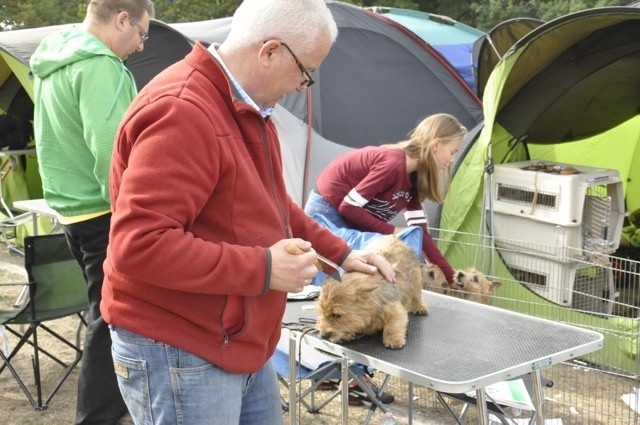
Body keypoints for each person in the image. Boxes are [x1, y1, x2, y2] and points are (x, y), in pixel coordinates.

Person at [99, 1, 395, 424]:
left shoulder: (250, 110)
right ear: (270, 51)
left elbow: (274, 203)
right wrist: (262, 269)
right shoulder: (183, 111)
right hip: (179, 344)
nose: (302, 86)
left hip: (235, 336)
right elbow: (138, 246)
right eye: (305, 71)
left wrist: (343, 256)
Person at [29, 1, 154, 423]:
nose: (140, 45)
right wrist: (133, 215)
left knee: (104, 314)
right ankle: (98, 417)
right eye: (141, 33)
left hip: (72, 209)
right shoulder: (99, 65)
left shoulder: (52, 58)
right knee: (113, 319)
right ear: (123, 19)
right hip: (106, 210)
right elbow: (110, 151)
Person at [304, 113, 468, 285]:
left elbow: (421, 234)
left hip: (350, 221)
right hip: (326, 211)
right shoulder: (393, 165)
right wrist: (392, 231)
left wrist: (452, 280)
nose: (452, 160)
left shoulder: (413, 179)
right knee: (337, 280)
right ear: (436, 145)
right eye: (453, 152)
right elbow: (348, 207)